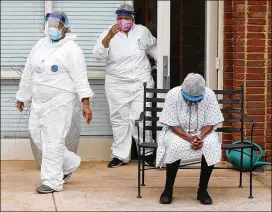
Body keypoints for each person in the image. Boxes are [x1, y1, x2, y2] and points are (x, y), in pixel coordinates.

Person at [16, 12, 94, 194]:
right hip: (38, 101)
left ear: (65, 26)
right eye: (49, 23)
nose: (52, 27)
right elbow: (29, 71)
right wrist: (22, 96)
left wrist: (85, 104)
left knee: (53, 141)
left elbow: (80, 78)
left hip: (60, 101)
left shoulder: (72, 48)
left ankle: (52, 181)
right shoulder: (40, 45)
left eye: (56, 24)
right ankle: (70, 163)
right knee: (36, 135)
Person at [93, 4, 157, 168]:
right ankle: (120, 156)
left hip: (140, 82)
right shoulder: (110, 32)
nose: (123, 21)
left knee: (141, 118)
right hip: (117, 84)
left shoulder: (142, 31)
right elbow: (98, 54)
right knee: (119, 120)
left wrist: (162, 65)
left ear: (132, 19)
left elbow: (154, 49)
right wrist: (109, 36)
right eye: (120, 18)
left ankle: (147, 153)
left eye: (126, 18)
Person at [156, 73, 224, 205]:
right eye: (189, 98)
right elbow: (172, 123)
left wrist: (199, 137)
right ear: (182, 90)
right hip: (178, 132)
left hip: (201, 132)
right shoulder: (173, 94)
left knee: (211, 143)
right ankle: (168, 190)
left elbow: (210, 122)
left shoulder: (209, 94)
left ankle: (202, 190)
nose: (193, 101)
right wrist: (189, 138)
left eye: (197, 99)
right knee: (175, 145)